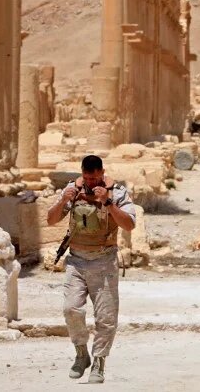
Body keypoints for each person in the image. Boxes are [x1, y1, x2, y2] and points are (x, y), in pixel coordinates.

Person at [46, 154, 136, 384]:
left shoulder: (116, 192)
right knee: (71, 309)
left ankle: (99, 362)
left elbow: (129, 224)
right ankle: (81, 353)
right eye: (87, 178)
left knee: (105, 318)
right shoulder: (73, 190)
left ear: (102, 173)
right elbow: (50, 220)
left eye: (96, 178)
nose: (92, 182)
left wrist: (107, 202)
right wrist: (61, 201)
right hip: (76, 260)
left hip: (104, 262)